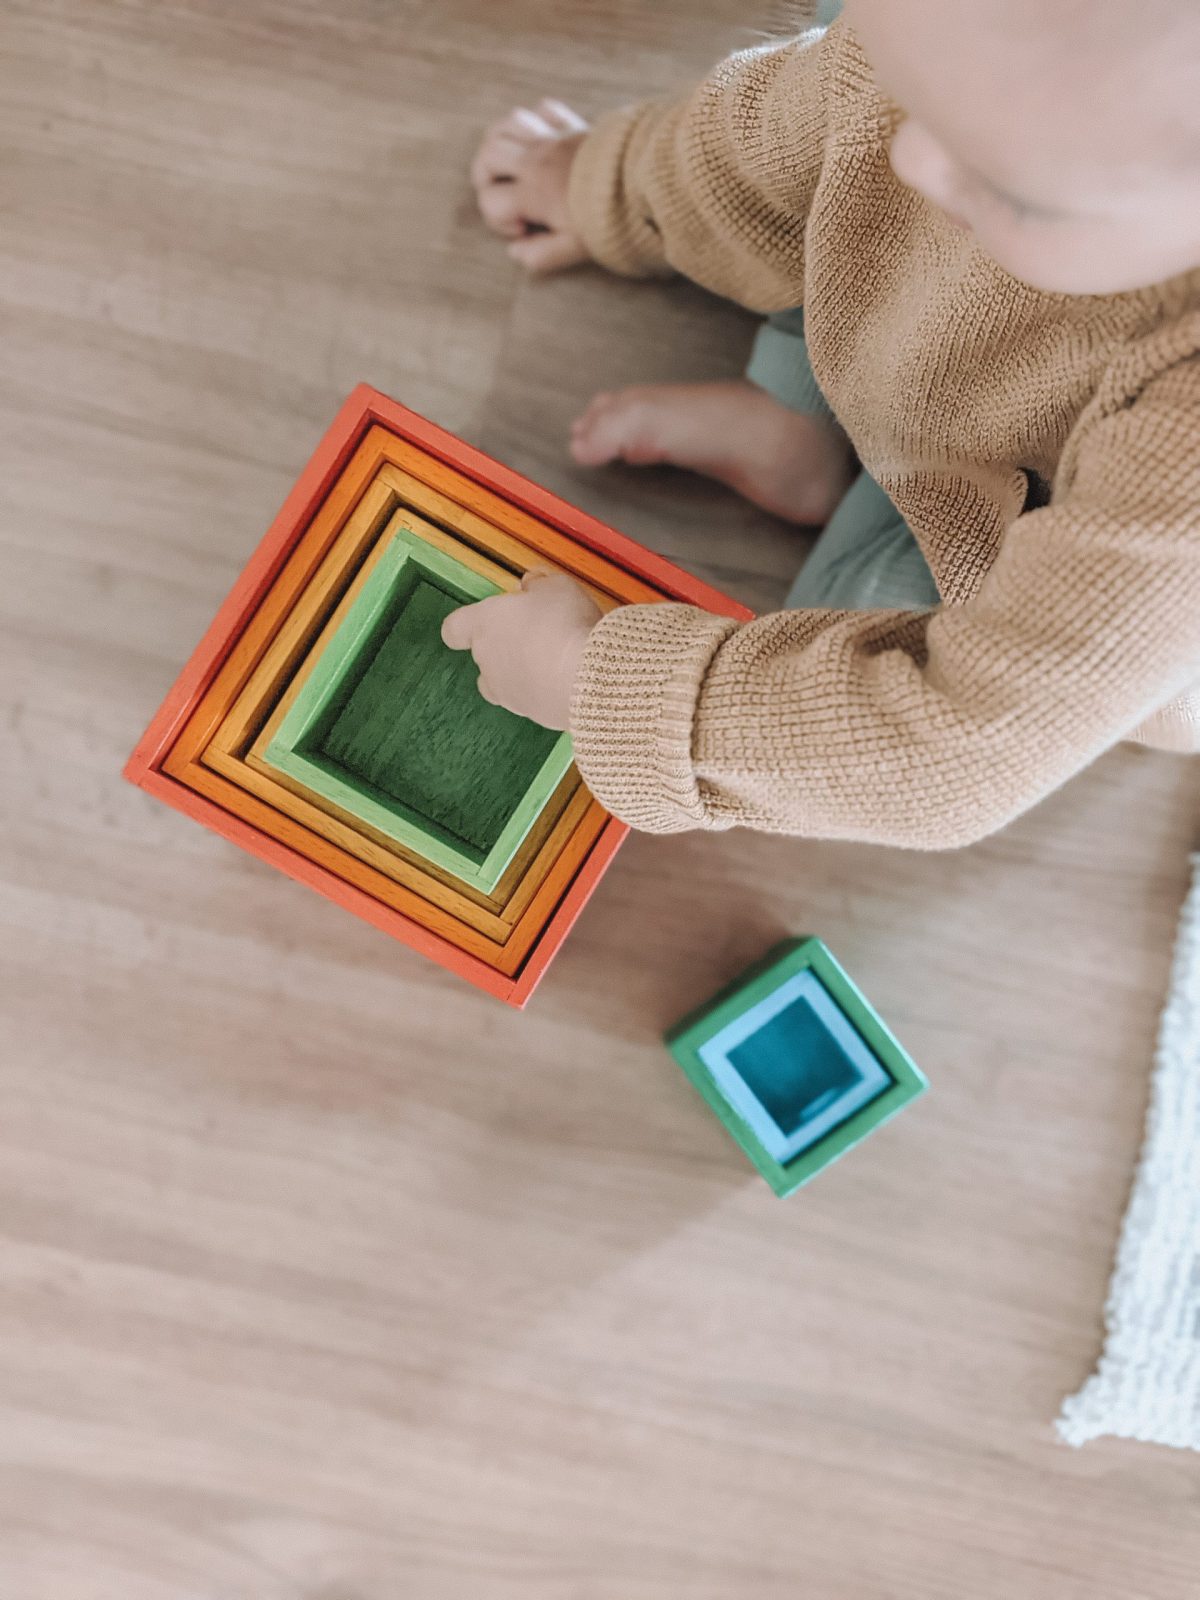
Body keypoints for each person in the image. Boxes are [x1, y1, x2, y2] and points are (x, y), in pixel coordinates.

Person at [442, 0, 1200, 848]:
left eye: (1006, 188)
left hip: (1014, 559)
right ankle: (794, 418)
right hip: (913, 354)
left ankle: (817, 432)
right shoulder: (963, 75)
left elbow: (950, 752)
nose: (911, 158)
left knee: (817, 694)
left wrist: (590, 681)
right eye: (914, 98)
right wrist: (601, 184)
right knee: (841, 159)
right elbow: (750, 145)